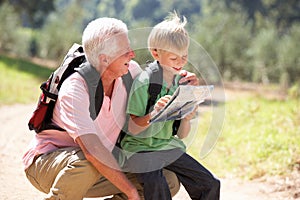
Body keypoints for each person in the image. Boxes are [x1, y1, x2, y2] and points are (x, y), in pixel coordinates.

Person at [22, 17, 199, 200]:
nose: (132, 55)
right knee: (88, 162)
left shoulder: (131, 72)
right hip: (49, 165)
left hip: (99, 164)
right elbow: (92, 151)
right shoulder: (76, 89)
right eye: (125, 52)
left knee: (167, 180)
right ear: (104, 59)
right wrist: (130, 191)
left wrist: (182, 78)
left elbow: (158, 79)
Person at [120, 12, 221, 200]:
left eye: (184, 57)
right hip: (138, 149)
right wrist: (154, 113)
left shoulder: (181, 83)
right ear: (156, 53)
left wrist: (187, 118)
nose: (181, 63)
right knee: (157, 184)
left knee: (210, 183)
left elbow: (182, 135)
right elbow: (133, 129)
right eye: (174, 59)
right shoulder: (144, 83)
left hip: (166, 146)